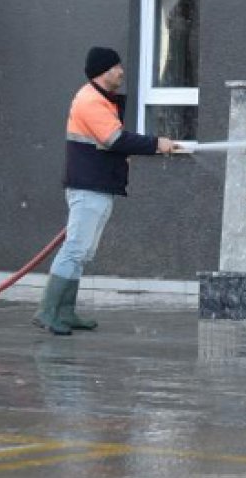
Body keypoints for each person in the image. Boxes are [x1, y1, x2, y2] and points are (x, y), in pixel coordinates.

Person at [34, 46, 177, 336]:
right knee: (75, 249)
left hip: (97, 185)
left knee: (83, 251)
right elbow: (114, 139)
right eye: (116, 67)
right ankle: (47, 311)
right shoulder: (90, 101)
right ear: (103, 71)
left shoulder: (100, 100)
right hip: (89, 187)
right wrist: (156, 144)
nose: (122, 71)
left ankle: (66, 312)